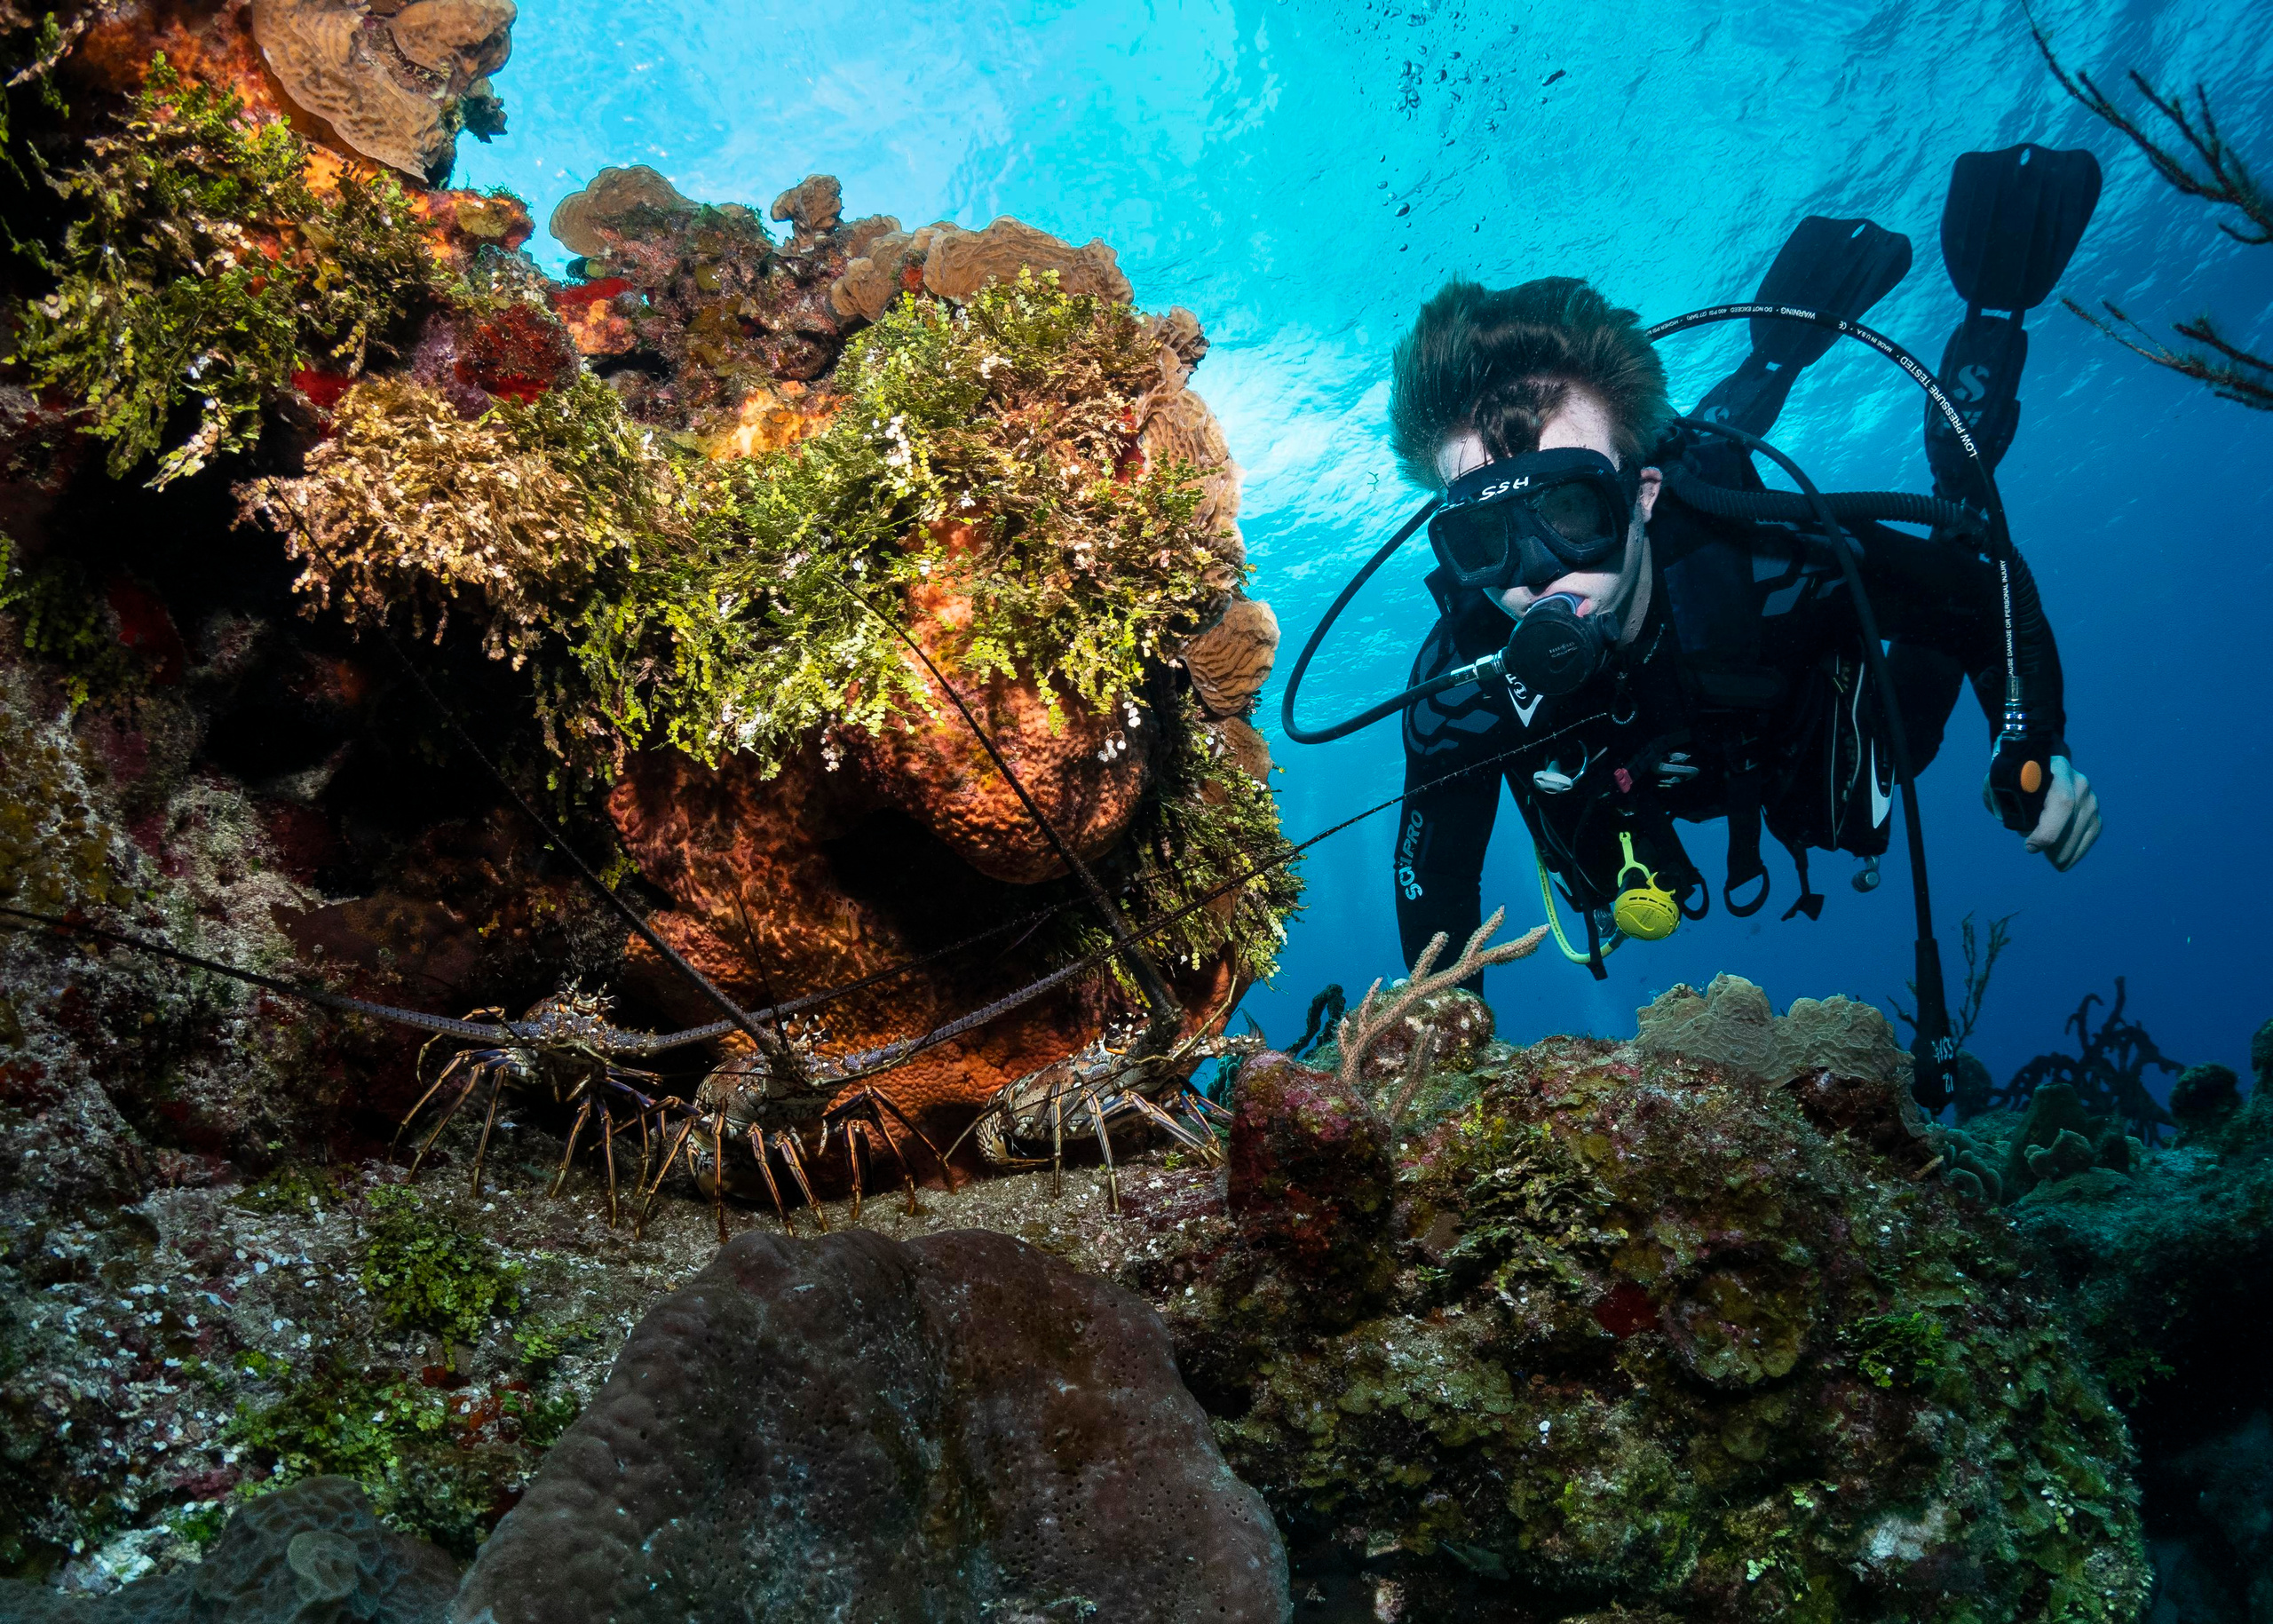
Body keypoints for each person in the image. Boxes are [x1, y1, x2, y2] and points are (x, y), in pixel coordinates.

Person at [1387, 276, 2101, 980]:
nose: (1533, 575)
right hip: (1646, 799)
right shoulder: (1459, 680)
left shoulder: (1771, 565)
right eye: (1486, 536)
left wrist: (2032, 737)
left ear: (1641, 497)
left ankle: (1950, 483)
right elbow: (1436, 895)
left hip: (1788, 746)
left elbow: (1985, 600)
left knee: (1901, 746)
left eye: (1571, 512)